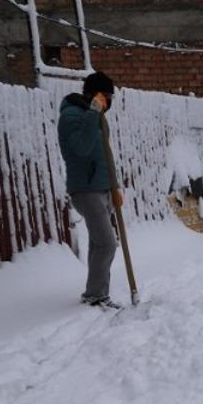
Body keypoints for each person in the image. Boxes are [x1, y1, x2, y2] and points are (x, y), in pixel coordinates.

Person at [58, 71, 122, 308]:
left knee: (98, 243)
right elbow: (82, 148)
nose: (108, 100)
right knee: (107, 243)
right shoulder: (72, 116)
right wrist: (93, 112)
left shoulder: (93, 116)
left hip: (102, 187)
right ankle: (95, 295)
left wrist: (115, 186)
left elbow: (105, 155)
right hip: (85, 189)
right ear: (94, 94)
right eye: (106, 95)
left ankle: (97, 294)